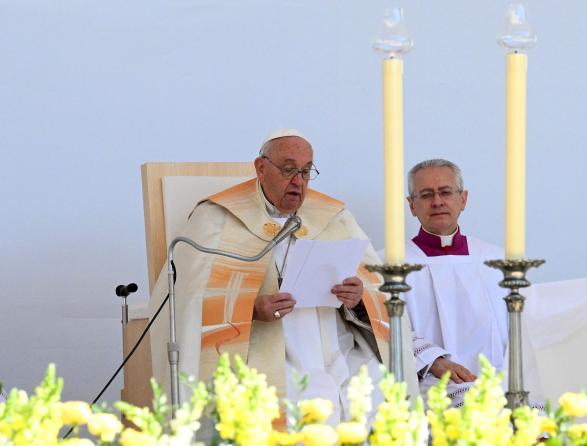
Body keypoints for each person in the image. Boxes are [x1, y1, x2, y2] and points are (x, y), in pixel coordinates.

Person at [147, 129, 418, 425]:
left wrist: (358, 299)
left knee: (381, 391)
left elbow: (378, 293)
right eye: (289, 170)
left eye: (305, 171)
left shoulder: (334, 215)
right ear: (261, 168)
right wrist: (250, 310)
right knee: (301, 407)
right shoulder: (217, 218)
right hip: (266, 352)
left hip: (339, 348)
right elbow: (187, 302)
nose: (298, 182)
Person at [402, 158, 541, 406]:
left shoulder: (500, 261)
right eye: (426, 195)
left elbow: (526, 328)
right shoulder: (389, 265)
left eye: (445, 192)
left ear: (463, 199)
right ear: (412, 205)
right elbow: (385, 330)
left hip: (502, 383)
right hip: (430, 386)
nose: (437, 202)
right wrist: (432, 360)